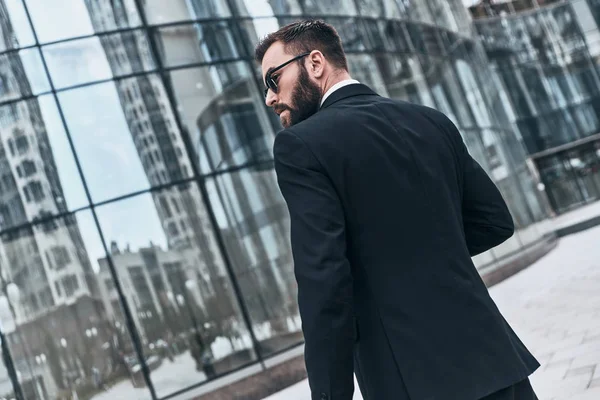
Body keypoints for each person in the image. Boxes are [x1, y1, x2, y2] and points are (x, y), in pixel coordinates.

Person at [255, 20, 540, 400]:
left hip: (413, 380)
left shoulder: (300, 147)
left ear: (316, 62)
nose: (270, 98)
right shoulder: (430, 120)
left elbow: (323, 282)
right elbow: (494, 222)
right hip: (497, 363)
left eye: (273, 80)